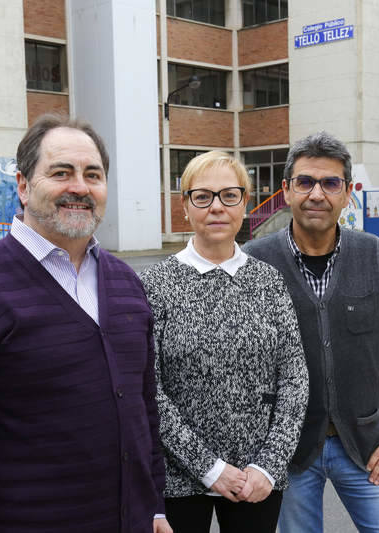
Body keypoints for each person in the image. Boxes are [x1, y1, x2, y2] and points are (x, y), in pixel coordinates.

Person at [0, 114, 170, 533]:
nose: (80, 187)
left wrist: (153, 506)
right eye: (61, 173)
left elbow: (144, 413)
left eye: (92, 175)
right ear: (24, 186)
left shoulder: (125, 284)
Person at [244, 131, 379, 533]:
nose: (317, 194)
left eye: (330, 183)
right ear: (286, 190)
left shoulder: (378, 256)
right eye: (305, 182)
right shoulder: (252, 264)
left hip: (365, 446)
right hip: (286, 452)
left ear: (347, 192)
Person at [140, 151, 308, 533]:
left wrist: (269, 464)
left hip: (256, 480)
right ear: (185, 206)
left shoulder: (268, 281)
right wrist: (209, 469)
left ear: (245, 202)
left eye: (229, 195)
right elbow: (148, 388)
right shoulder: (156, 286)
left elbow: (295, 380)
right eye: (203, 196)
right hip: (179, 479)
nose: (216, 207)